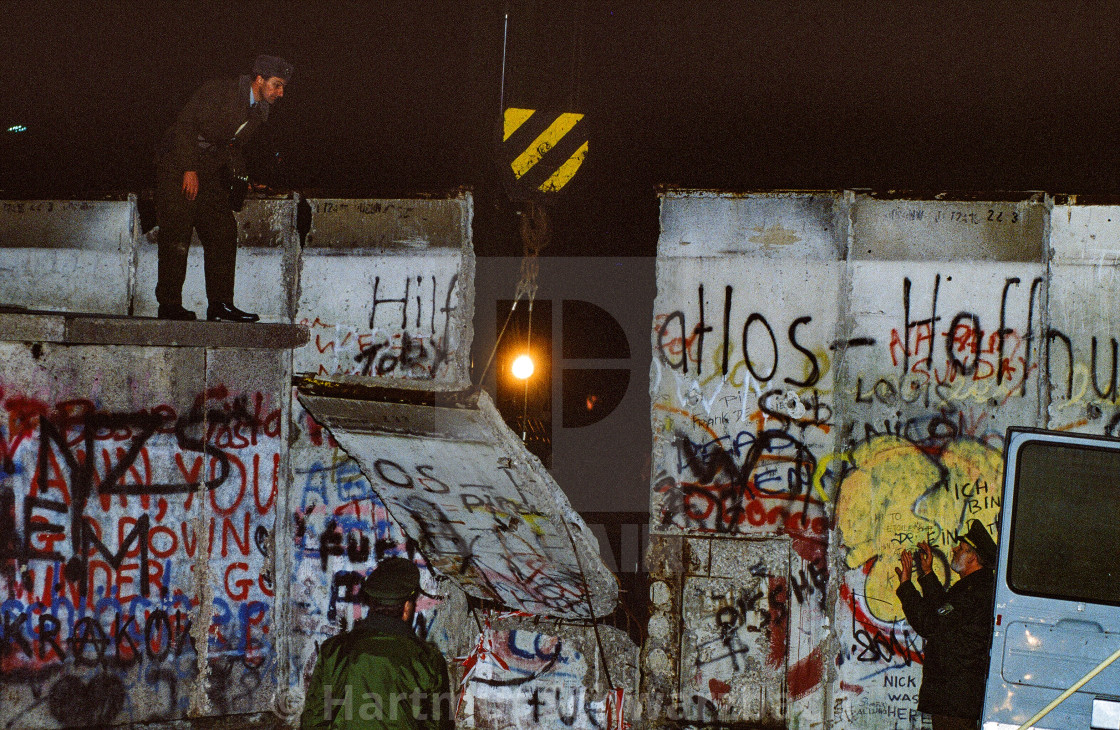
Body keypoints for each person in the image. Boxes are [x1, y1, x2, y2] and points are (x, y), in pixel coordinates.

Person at [154, 54, 292, 322]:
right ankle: (169, 305)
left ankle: (220, 305)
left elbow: (231, 146)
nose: (280, 92)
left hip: (208, 172)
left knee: (223, 232)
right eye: (276, 85)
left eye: (283, 86)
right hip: (178, 166)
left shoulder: (259, 110)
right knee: (176, 235)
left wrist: (246, 177)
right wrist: (188, 169)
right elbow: (185, 126)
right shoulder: (220, 91)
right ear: (259, 79)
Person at [301, 557, 454, 729]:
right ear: (406, 608)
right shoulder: (428, 660)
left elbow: (313, 721)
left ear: (372, 604)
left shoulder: (334, 651)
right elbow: (439, 725)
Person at [895, 520, 998, 730]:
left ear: (973, 558)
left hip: (955, 699)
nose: (953, 550)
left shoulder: (974, 593)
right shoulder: (974, 587)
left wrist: (906, 586)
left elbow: (931, 624)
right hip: (956, 697)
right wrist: (927, 574)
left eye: (961, 548)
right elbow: (943, 610)